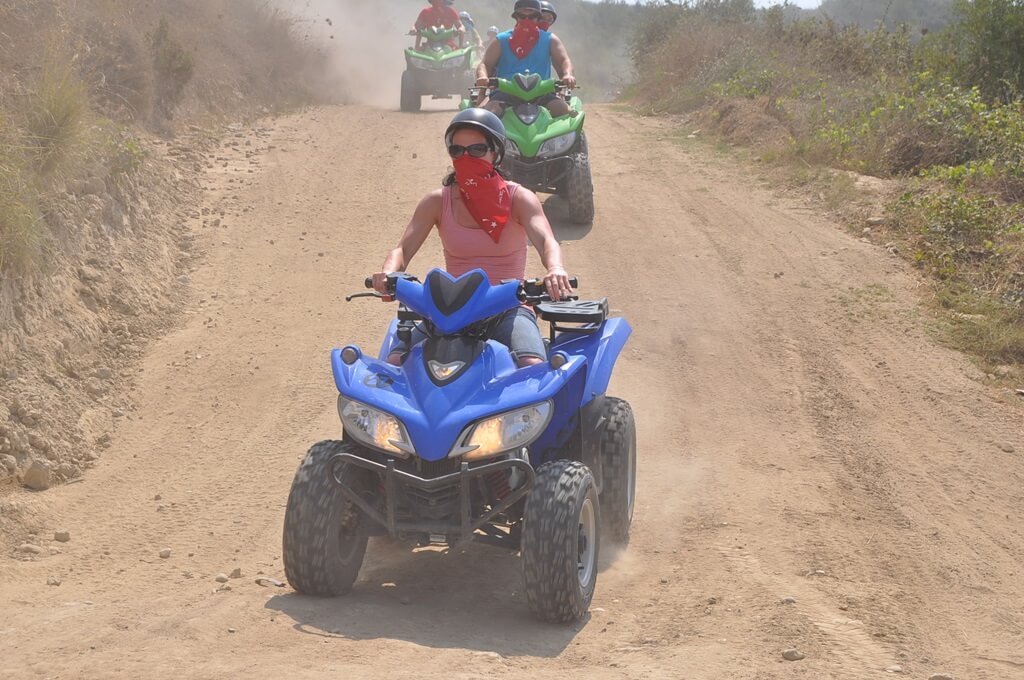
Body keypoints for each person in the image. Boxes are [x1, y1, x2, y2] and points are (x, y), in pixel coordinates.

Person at [372, 109, 573, 368]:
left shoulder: (519, 198)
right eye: (458, 151)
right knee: (396, 362)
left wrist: (555, 269)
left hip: (508, 307)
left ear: (495, 153)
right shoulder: (437, 201)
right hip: (450, 310)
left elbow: (547, 241)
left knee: (532, 365)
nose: (466, 157)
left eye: (477, 150)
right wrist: (388, 274)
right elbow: (402, 249)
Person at [475, 0, 576, 118]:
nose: (527, 20)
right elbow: (485, 64)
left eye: (532, 16)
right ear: (516, 17)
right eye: (522, 16)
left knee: (570, 117)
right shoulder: (501, 39)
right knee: (485, 118)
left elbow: (564, 60)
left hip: (542, 92)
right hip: (506, 92)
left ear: (538, 17)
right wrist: (482, 76)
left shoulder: (550, 39)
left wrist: (568, 74)